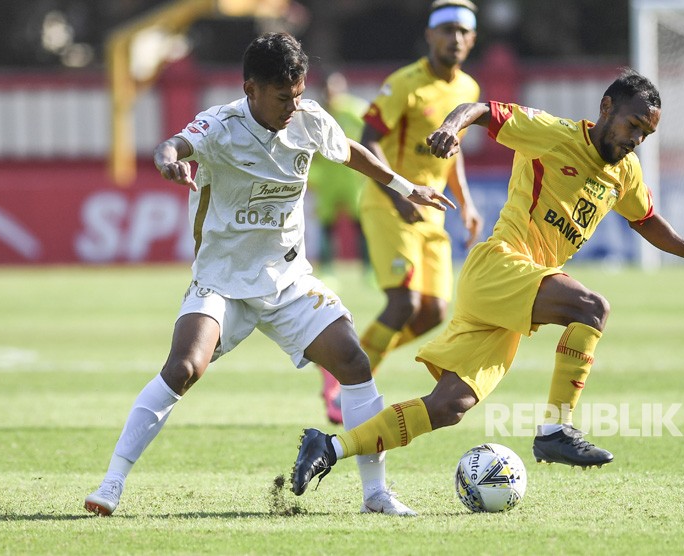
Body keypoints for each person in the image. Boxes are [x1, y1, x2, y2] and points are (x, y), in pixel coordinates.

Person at [291, 68, 684, 507]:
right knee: (591, 308)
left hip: (517, 292)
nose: (636, 139)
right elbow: (478, 110)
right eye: (632, 125)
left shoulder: (626, 172)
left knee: (450, 405)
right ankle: (556, 430)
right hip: (500, 266)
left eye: (645, 134)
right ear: (606, 108)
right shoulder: (552, 132)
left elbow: (645, 219)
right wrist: (450, 128)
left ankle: (328, 448)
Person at [83, 32, 454, 518]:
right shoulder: (220, 125)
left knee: (354, 363)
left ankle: (376, 494)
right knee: (183, 368)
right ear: (250, 89)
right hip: (221, 280)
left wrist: (406, 188)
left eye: (298, 95)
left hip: (288, 279)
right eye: (283, 98)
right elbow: (172, 145)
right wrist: (170, 162)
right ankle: (111, 483)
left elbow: (349, 151)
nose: (292, 107)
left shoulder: (308, 118)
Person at [319, 0, 483, 426]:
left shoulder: (468, 90)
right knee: (404, 301)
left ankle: (347, 361)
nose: (455, 39)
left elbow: (454, 153)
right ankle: (350, 384)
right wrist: (399, 195)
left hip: (433, 209)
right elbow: (368, 139)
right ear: (429, 36)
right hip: (388, 202)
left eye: (463, 32)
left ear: (473, 39)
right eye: (446, 30)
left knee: (433, 311)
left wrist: (465, 202)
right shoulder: (404, 84)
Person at [306, 71, 372, 424]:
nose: (331, 94)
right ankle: (329, 268)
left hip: (352, 177)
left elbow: (370, 139)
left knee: (362, 228)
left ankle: (369, 270)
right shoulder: (315, 113)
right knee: (329, 229)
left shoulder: (356, 112)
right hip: (330, 179)